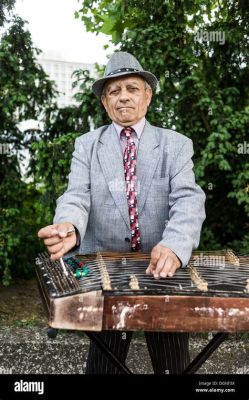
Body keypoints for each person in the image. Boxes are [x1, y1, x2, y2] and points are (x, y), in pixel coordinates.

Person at [38, 51, 206, 374]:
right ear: (104, 102)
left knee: (174, 368)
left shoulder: (176, 145)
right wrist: (69, 226)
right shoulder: (87, 145)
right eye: (114, 91)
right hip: (106, 278)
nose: (123, 97)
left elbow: (188, 199)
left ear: (148, 95)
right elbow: (76, 194)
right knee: (103, 368)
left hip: (162, 274)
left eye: (131, 88)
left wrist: (174, 245)